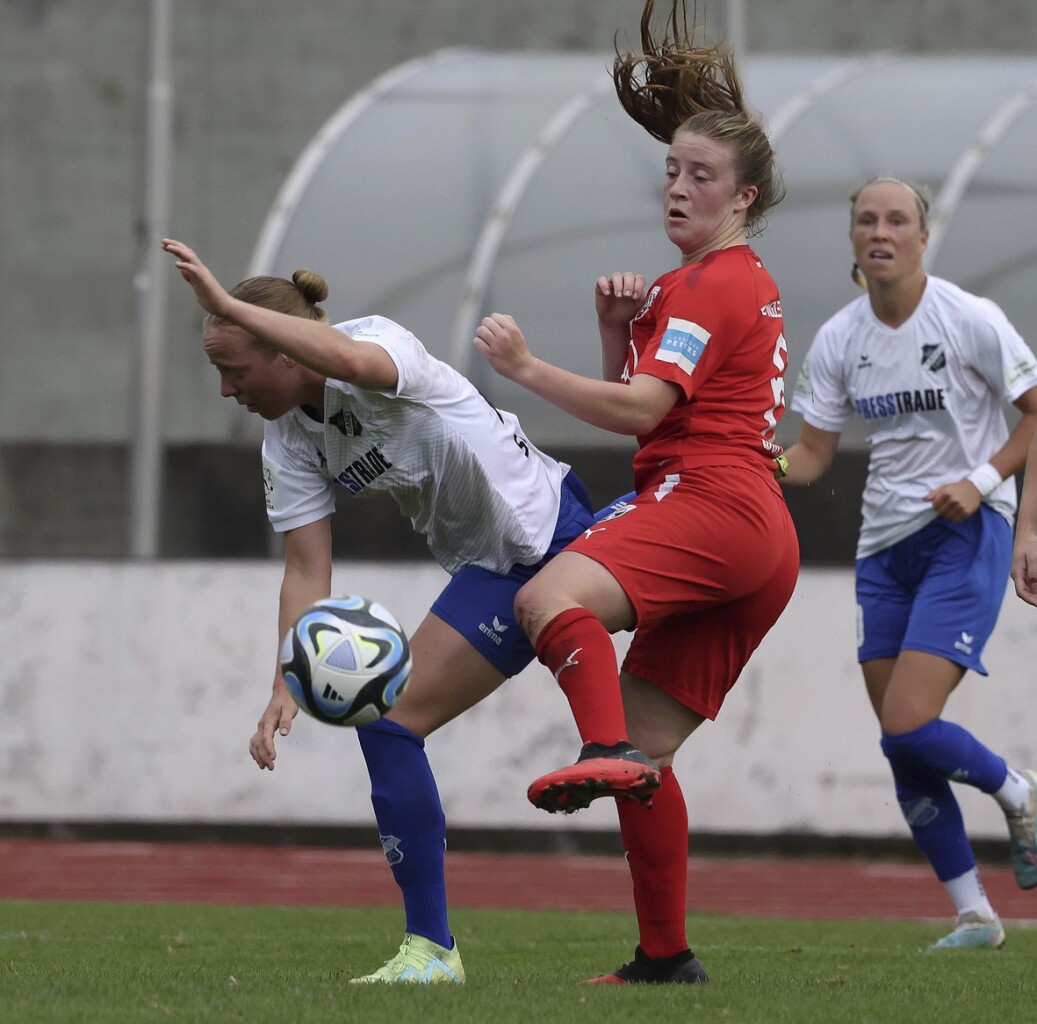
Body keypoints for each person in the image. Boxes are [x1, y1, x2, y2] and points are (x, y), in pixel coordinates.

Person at [162, 237, 600, 984]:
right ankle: (431, 952)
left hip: (554, 533)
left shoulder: (373, 344)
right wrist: (283, 684)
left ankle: (447, 949)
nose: (227, 389)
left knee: (403, 725)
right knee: (390, 726)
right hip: (496, 568)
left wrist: (229, 307)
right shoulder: (287, 440)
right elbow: (306, 567)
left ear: (283, 350)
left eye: (233, 368)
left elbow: (357, 367)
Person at [473, 0, 799, 985]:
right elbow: (650, 405)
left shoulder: (709, 284)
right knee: (647, 765)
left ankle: (598, 739)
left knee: (545, 599)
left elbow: (639, 413)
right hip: (754, 531)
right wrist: (620, 333)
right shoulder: (707, 282)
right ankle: (665, 956)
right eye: (670, 169)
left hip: (715, 501)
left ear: (741, 198)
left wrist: (526, 365)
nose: (678, 187)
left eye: (700, 176)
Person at [780, 174, 1037, 949]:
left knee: (906, 720)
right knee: (900, 742)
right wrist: (755, 466)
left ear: (923, 238)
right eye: (865, 219)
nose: (879, 231)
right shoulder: (839, 339)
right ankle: (973, 913)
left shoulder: (970, 320)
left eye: (896, 220)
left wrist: (992, 489)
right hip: (881, 552)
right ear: (853, 238)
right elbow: (814, 454)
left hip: (966, 536)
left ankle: (1018, 792)